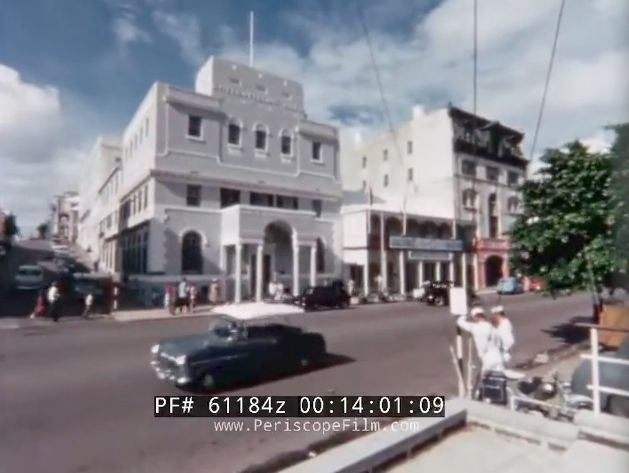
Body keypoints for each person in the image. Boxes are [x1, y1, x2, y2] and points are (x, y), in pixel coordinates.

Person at [456, 306, 504, 375]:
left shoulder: (474, 327)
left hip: (487, 359)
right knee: (500, 380)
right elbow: (500, 342)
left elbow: (459, 322)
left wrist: (464, 313)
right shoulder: (492, 327)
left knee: (487, 380)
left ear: (475, 317)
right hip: (498, 356)